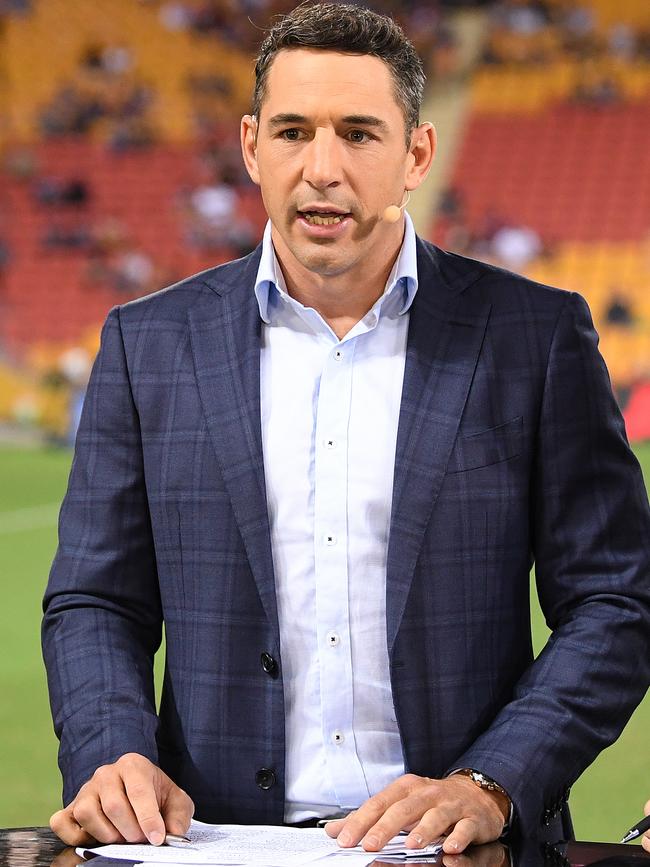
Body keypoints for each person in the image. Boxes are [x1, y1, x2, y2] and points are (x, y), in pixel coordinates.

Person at [42, 2, 650, 856]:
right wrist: (111, 752)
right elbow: (95, 597)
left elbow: (616, 600)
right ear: (253, 146)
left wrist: (492, 779)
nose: (321, 168)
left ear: (416, 154)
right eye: (294, 132)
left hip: (458, 848)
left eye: (360, 134)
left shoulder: (533, 338)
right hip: (209, 843)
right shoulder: (148, 345)